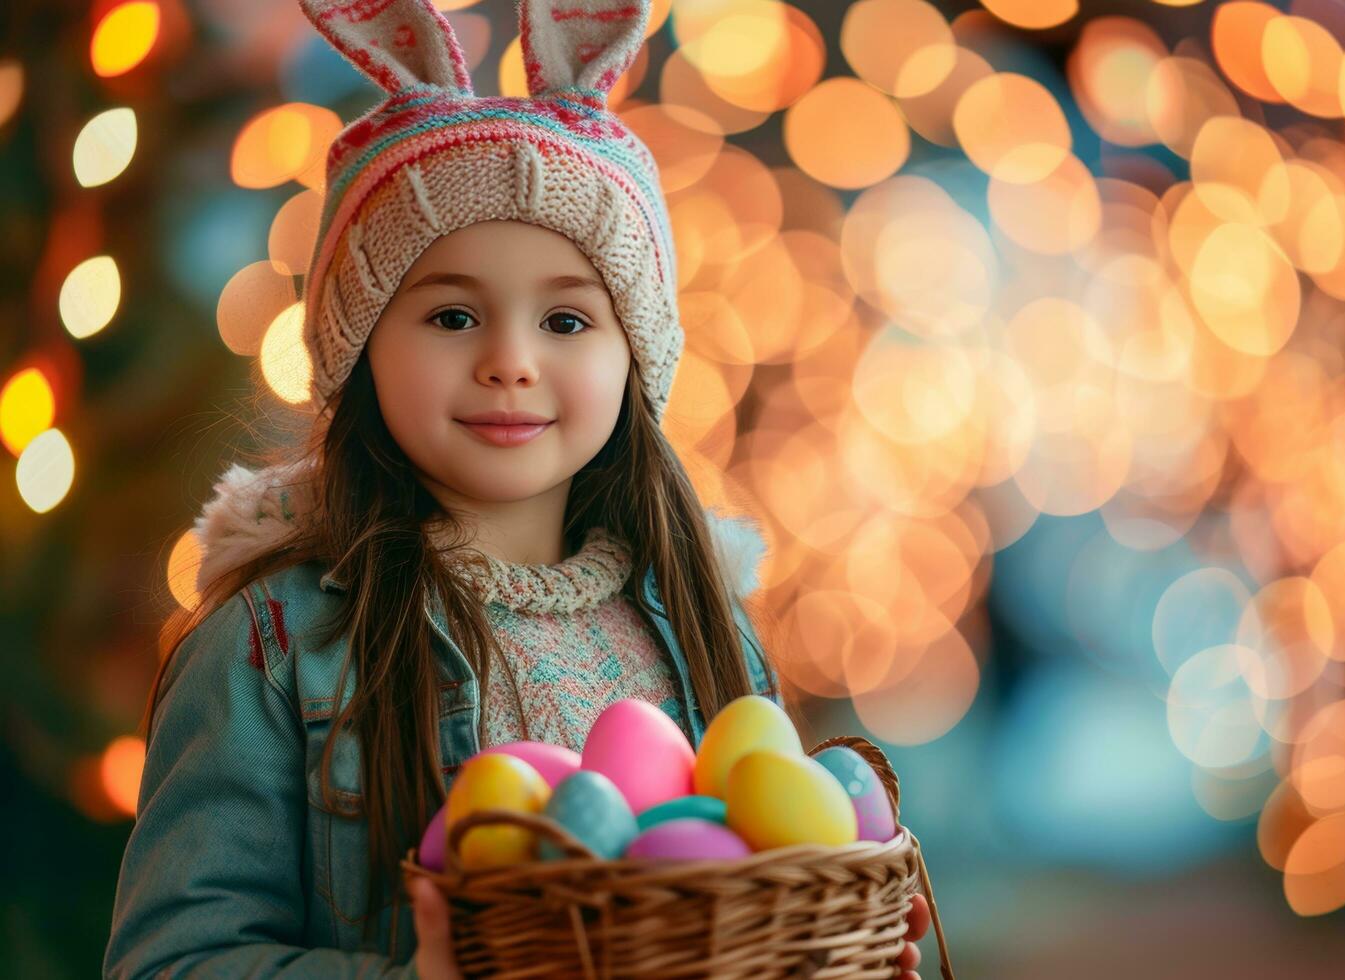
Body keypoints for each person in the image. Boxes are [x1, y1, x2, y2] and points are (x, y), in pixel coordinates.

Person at [104, 0, 930, 976]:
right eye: (452, 315)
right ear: (360, 346)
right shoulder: (274, 648)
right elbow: (173, 959)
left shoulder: (705, 620)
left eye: (569, 322)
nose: (510, 361)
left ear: (637, 356)